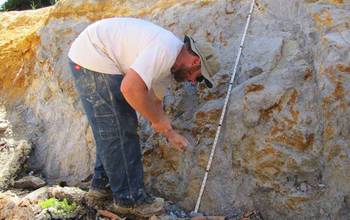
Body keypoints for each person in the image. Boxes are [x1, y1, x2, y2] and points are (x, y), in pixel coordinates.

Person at [68, 17, 220, 217]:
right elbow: (130, 88)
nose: (193, 82)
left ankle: (101, 188)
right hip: (93, 54)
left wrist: (170, 133)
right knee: (121, 129)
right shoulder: (166, 51)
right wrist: (158, 121)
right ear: (195, 61)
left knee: (114, 127)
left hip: (95, 54)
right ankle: (129, 200)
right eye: (198, 77)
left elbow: (154, 101)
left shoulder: (168, 65)